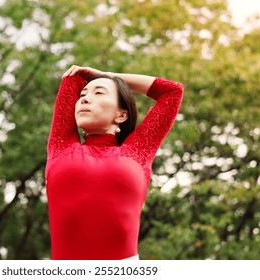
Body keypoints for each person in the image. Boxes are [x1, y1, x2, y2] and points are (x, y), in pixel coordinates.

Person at [45, 65, 184, 260]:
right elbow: (73, 77)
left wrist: (108, 76)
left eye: (99, 93)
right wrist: (100, 81)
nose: (84, 98)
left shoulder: (138, 152)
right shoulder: (61, 145)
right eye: (82, 95)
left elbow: (172, 91)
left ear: (121, 115)